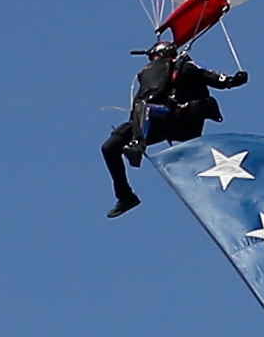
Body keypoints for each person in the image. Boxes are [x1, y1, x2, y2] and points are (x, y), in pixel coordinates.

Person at [103, 38, 247, 217]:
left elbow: (214, 77)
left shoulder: (187, 67)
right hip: (153, 120)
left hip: (180, 116)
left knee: (143, 106)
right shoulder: (149, 75)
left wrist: (234, 80)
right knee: (109, 147)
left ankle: (137, 144)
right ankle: (126, 196)